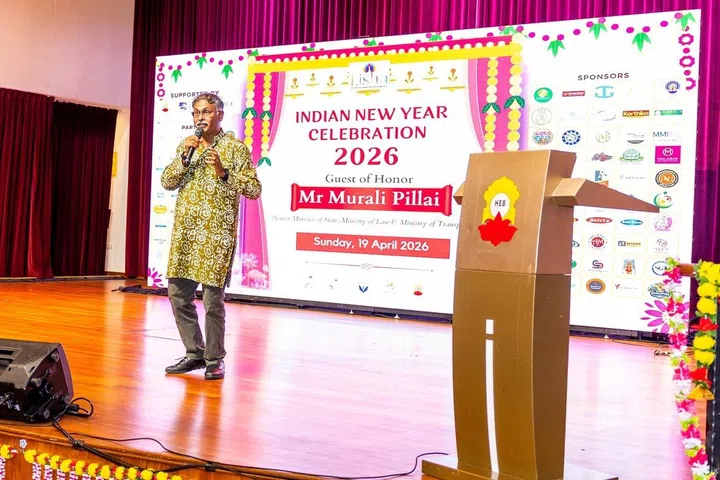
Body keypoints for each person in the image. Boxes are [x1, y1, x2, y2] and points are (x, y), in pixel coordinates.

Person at [160, 92, 261, 380]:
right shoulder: (187, 145)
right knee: (177, 294)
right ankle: (194, 353)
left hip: (216, 235)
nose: (199, 118)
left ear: (219, 114)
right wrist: (183, 159)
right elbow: (167, 181)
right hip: (186, 233)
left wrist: (222, 171)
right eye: (195, 113)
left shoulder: (235, 148)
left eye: (205, 112)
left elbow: (254, 189)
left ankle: (214, 359)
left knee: (213, 302)